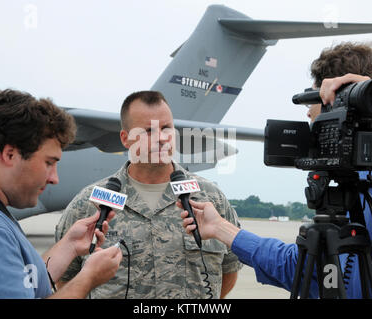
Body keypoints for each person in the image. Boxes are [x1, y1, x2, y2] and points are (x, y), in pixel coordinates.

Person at [180, 42, 372, 299]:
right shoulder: (349, 185)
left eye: (317, 99)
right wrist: (221, 228)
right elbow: (300, 270)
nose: (309, 112)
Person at [55, 90, 243, 299]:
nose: (161, 138)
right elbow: (65, 278)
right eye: (148, 131)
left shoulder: (210, 199)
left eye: (166, 128)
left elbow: (230, 270)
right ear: (126, 139)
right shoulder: (89, 204)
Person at [0, 89, 122, 298]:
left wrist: (70, 245)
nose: (54, 178)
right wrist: (87, 278)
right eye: (49, 163)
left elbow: (22, 283)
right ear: (10, 155)